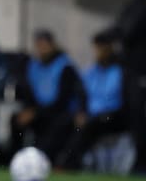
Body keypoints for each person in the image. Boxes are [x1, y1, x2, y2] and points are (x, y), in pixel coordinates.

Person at [55, 32, 129, 170]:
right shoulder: (92, 72)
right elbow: (82, 95)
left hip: (113, 117)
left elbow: (128, 102)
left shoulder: (121, 71)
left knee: (89, 125)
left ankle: (68, 164)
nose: (98, 52)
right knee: (63, 121)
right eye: (96, 48)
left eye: (101, 48)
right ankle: (52, 158)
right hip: (91, 115)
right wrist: (81, 112)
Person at [10, 29, 86, 162]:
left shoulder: (65, 67)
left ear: (52, 45)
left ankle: (47, 159)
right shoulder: (33, 66)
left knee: (56, 125)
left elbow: (62, 101)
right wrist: (30, 111)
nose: (42, 49)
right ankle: (16, 158)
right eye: (39, 46)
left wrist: (36, 112)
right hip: (40, 112)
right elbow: (29, 95)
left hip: (59, 113)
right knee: (16, 120)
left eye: (44, 45)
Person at [110, 0, 146, 171]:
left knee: (139, 115)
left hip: (141, 70)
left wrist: (115, 35)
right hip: (130, 69)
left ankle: (142, 161)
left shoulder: (141, 6)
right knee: (133, 115)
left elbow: (128, 31)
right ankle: (139, 159)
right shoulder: (132, 4)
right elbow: (121, 28)